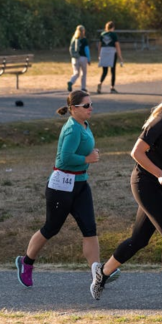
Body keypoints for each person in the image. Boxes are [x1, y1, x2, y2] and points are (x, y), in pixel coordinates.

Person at [91, 76, 162, 311]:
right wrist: (160, 174)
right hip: (145, 182)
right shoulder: (160, 122)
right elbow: (136, 153)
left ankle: (103, 272)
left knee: (139, 240)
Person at [16, 90, 102, 289]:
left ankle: (98, 274)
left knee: (90, 229)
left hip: (80, 184)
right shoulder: (72, 129)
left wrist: (91, 154)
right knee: (51, 228)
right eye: (86, 105)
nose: (91, 108)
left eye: (91, 104)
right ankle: (26, 262)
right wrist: (87, 159)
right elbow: (64, 159)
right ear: (73, 109)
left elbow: (80, 151)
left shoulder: (84, 125)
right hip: (61, 186)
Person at [97, 21, 123, 93]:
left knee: (104, 71)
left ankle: (100, 82)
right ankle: (112, 87)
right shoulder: (113, 35)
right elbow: (117, 45)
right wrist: (120, 56)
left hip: (104, 51)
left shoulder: (102, 34)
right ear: (113, 27)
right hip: (112, 52)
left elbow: (99, 45)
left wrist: (99, 54)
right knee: (113, 70)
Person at [68, 25, 90, 92]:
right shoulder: (84, 40)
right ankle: (83, 87)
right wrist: (89, 59)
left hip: (74, 58)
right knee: (84, 73)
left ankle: (71, 82)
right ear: (83, 31)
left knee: (76, 73)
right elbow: (86, 50)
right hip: (83, 58)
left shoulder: (74, 39)